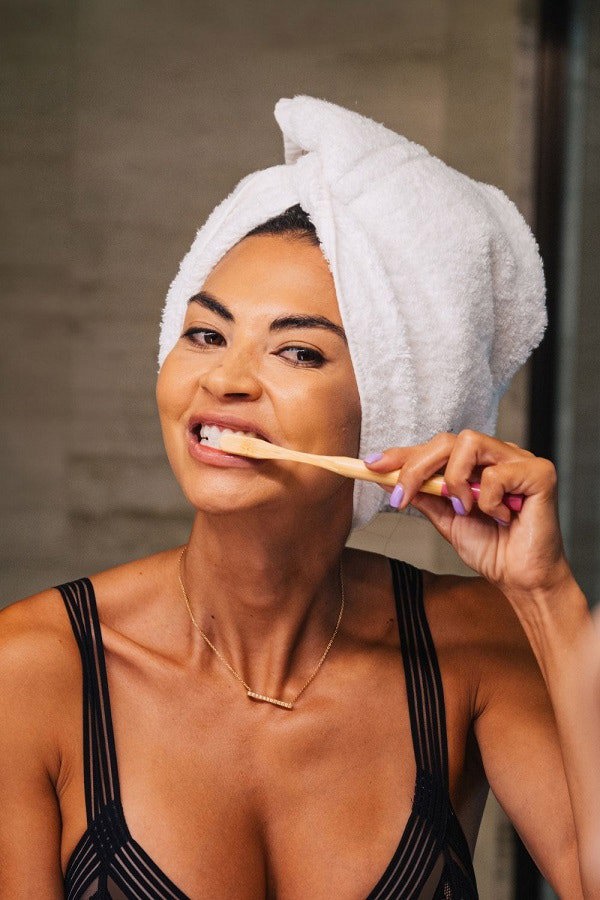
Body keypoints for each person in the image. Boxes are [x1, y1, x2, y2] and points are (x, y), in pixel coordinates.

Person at [0, 97, 594, 899]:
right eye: (205, 334)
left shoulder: (474, 649)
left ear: (391, 408)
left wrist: (545, 595)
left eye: (297, 351)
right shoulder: (34, 670)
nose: (225, 379)